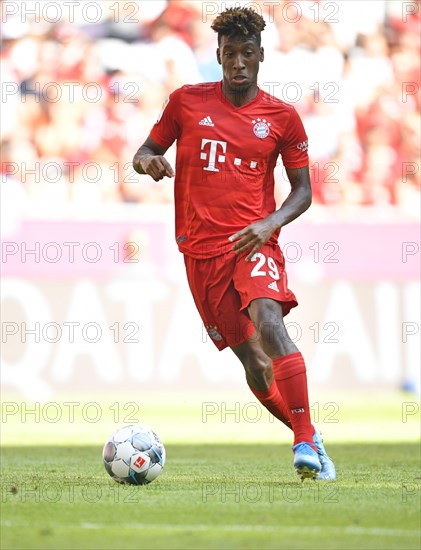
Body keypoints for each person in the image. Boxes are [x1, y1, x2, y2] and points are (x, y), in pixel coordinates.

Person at [133, 7, 336, 481]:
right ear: (218, 55)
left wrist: (270, 224)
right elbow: (144, 151)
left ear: (261, 56)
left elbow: (304, 191)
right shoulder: (185, 102)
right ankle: (306, 432)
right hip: (201, 253)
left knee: (270, 324)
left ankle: (303, 442)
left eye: (247, 54)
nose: (238, 63)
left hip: (253, 243)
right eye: (230, 54)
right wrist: (150, 164)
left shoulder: (282, 118)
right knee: (256, 365)